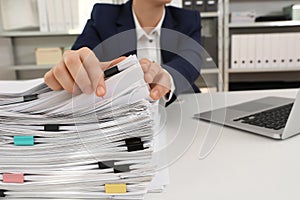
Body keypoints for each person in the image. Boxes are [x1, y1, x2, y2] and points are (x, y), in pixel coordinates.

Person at [44, 0, 202, 103]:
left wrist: (166, 77)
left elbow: (191, 59)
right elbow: (83, 52)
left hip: (181, 107)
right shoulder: (103, 16)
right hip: (122, 115)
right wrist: (76, 64)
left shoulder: (188, 19)